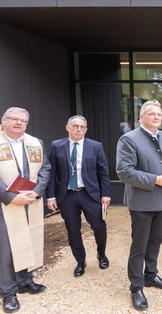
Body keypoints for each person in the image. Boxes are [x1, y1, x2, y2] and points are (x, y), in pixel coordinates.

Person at [0, 107, 51, 313]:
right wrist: (12, 197)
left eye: (23, 121)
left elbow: (45, 168)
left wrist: (36, 191)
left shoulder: (35, 142)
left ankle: (25, 280)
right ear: (4, 120)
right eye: (14, 119)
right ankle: (8, 292)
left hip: (29, 200)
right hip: (3, 204)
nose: (19, 123)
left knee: (29, 238)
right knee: (7, 249)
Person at [116, 100, 162, 311]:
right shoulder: (129, 139)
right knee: (139, 246)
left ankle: (150, 275)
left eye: (159, 114)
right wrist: (155, 180)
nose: (156, 117)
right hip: (142, 202)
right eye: (151, 114)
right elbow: (124, 172)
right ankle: (136, 287)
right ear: (141, 117)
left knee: (155, 242)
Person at [46, 115, 111, 277]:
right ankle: (80, 261)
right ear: (67, 127)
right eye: (75, 126)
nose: (79, 129)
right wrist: (51, 196)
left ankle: (101, 254)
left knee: (99, 226)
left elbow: (103, 171)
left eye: (82, 127)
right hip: (66, 195)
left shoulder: (95, 146)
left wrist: (106, 194)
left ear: (86, 130)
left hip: (90, 194)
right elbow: (51, 172)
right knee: (73, 230)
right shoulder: (57, 146)